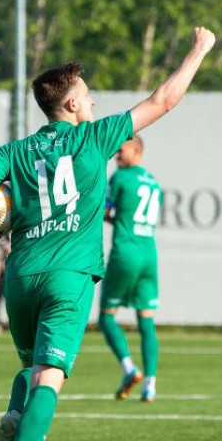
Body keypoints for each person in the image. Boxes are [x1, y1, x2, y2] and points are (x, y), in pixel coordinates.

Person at [0, 26, 216, 441]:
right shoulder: (95, 137)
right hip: (69, 276)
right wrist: (200, 50)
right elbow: (164, 100)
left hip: (21, 277)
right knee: (50, 377)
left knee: (29, 369)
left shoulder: (15, 150)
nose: (93, 101)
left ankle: (16, 412)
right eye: (89, 95)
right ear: (72, 103)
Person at [100, 134, 162, 402]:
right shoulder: (154, 183)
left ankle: (129, 369)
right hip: (149, 255)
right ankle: (150, 384)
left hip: (125, 254)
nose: (116, 156)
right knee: (146, 320)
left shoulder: (121, 178)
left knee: (106, 316)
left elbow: (104, 212)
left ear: (137, 149)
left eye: (121, 151)